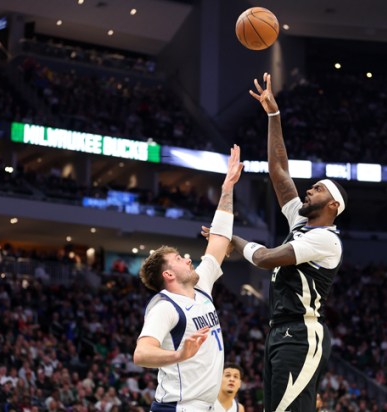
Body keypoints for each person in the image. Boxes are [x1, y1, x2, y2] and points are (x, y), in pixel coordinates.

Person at [231, 72, 348, 412]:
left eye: (318, 189)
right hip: (280, 332)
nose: (309, 189)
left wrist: (233, 240)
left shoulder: (325, 239)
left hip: (300, 333)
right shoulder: (302, 221)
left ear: (333, 205)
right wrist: (273, 114)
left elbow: (266, 258)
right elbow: (279, 172)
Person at [133, 145, 244, 411]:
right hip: (178, 407)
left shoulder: (201, 285)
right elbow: (141, 354)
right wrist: (179, 354)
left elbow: (219, 239)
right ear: (168, 274)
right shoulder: (165, 307)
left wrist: (227, 188)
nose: (187, 259)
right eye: (179, 259)